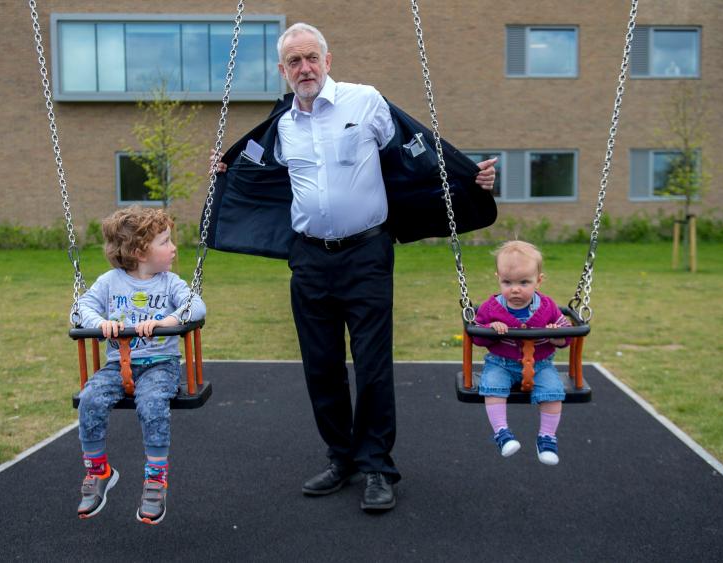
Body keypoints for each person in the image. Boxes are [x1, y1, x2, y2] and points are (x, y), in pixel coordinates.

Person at [212, 22, 497, 512]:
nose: (304, 68)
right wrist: (228, 167)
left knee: (371, 367)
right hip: (308, 260)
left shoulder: (365, 102)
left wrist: (469, 175)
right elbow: (257, 170)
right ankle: (340, 457)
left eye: (311, 58)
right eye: (294, 62)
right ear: (283, 71)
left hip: (366, 255)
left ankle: (378, 468)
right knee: (320, 367)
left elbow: (417, 154)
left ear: (328, 59)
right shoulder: (281, 126)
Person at [73, 206, 206, 525]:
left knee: (151, 405)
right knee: (90, 401)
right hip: (118, 365)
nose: (173, 247)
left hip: (161, 365)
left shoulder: (170, 283)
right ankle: (98, 471)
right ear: (138, 251)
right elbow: (79, 311)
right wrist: (101, 323)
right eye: (165, 241)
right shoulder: (109, 282)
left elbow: (196, 306)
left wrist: (169, 320)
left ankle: (156, 479)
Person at [470, 240, 571, 465]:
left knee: (554, 392)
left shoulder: (548, 306)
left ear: (539, 281)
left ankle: (547, 438)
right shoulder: (491, 307)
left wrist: (557, 336)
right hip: (500, 363)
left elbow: (567, 335)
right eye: (507, 282)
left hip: (541, 364)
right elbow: (476, 335)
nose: (515, 289)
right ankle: (502, 433)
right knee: (492, 387)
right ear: (499, 278)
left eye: (524, 282)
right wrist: (490, 329)